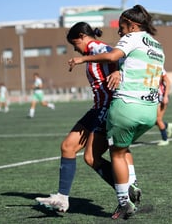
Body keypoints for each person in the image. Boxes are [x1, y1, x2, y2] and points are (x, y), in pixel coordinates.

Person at [68, 5, 165, 220]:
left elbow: (112, 56)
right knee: (123, 147)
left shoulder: (132, 38)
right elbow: (149, 71)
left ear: (133, 25)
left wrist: (81, 59)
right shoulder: (157, 47)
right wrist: (121, 72)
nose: (120, 32)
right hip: (149, 111)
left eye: (122, 27)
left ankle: (124, 203)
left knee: (117, 154)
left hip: (126, 107)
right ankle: (132, 186)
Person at [35, 22, 133, 212]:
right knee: (68, 147)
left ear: (81, 36)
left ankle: (127, 190)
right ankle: (63, 198)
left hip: (107, 107)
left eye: (75, 45)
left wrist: (115, 70)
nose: (76, 50)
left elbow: (116, 54)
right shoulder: (92, 52)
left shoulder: (97, 47)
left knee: (91, 157)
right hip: (96, 108)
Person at [156, 72, 172, 146]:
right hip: (153, 97)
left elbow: (168, 82)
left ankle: (165, 139)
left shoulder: (159, 67)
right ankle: (167, 125)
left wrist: (165, 96)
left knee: (158, 120)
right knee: (151, 120)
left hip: (161, 97)